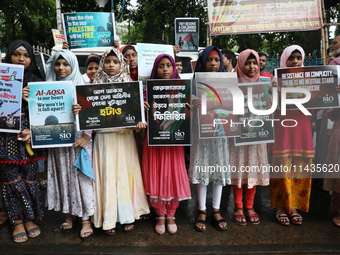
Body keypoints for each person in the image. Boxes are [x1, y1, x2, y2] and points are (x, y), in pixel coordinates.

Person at [86, 48, 150, 235]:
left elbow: (136, 126)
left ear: (121, 64)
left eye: (115, 62)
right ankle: (109, 217)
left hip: (124, 139)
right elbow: (89, 118)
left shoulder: (130, 87)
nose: (111, 65)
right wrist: (79, 110)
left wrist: (140, 121)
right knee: (106, 175)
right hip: (104, 140)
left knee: (124, 175)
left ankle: (127, 215)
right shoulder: (93, 88)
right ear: (103, 64)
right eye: (108, 62)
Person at [44, 49, 95, 241]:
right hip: (58, 142)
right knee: (64, 177)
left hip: (79, 141)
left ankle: (86, 219)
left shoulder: (82, 87)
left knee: (81, 178)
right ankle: (69, 214)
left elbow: (93, 116)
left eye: (65, 64)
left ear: (73, 65)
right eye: (57, 64)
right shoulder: (47, 88)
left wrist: (87, 136)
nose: (61, 68)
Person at [0, 40, 45, 243]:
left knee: (30, 178)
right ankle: (16, 221)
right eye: (17, 54)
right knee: (11, 181)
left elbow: (48, 111)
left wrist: (33, 130)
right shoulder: (1, 79)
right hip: (6, 139)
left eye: (26, 55)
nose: (21, 59)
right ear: (9, 55)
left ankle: (29, 218)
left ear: (31, 59)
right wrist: (16, 95)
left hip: (30, 137)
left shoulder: (37, 80)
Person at [142, 54, 191, 235]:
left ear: (174, 68)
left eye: (168, 65)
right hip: (155, 142)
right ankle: (160, 214)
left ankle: (171, 213)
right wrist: (144, 108)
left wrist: (189, 110)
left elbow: (186, 117)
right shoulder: (147, 91)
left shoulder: (183, 90)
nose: (165, 69)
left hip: (174, 142)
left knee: (172, 174)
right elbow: (143, 118)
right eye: (161, 66)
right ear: (156, 69)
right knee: (157, 173)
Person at [270, 45, 313, 226]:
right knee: (282, 166)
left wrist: (334, 92)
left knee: (300, 167)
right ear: (284, 60)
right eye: (291, 58)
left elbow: (321, 101)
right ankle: (280, 207)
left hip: (303, 127)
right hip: (284, 127)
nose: (295, 61)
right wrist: (273, 90)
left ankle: (294, 206)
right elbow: (268, 107)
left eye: (298, 58)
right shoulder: (275, 79)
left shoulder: (312, 79)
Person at [189, 46, 230, 232]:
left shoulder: (228, 81)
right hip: (202, 132)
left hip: (220, 133)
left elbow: (232, 106)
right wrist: (194, 105)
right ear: (202, 62)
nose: (213, 64)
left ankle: (216, 209)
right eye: (209, 60)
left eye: (216, 60)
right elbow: (187, 107)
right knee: (203, 169)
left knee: (218, 169)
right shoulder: (195, 81)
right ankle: (202, 210)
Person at [230, 49, 269, 225]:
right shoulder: (231, 84)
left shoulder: (265, 83)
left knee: (252, 170)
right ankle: (238, 207)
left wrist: (273, 94)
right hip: (238, 135)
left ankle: (250, 206)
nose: (252, 66)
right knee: (239, 170)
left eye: (255, 63)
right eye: (248, 62)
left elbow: (271, 109)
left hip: (257, 136)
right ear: (240, 64)